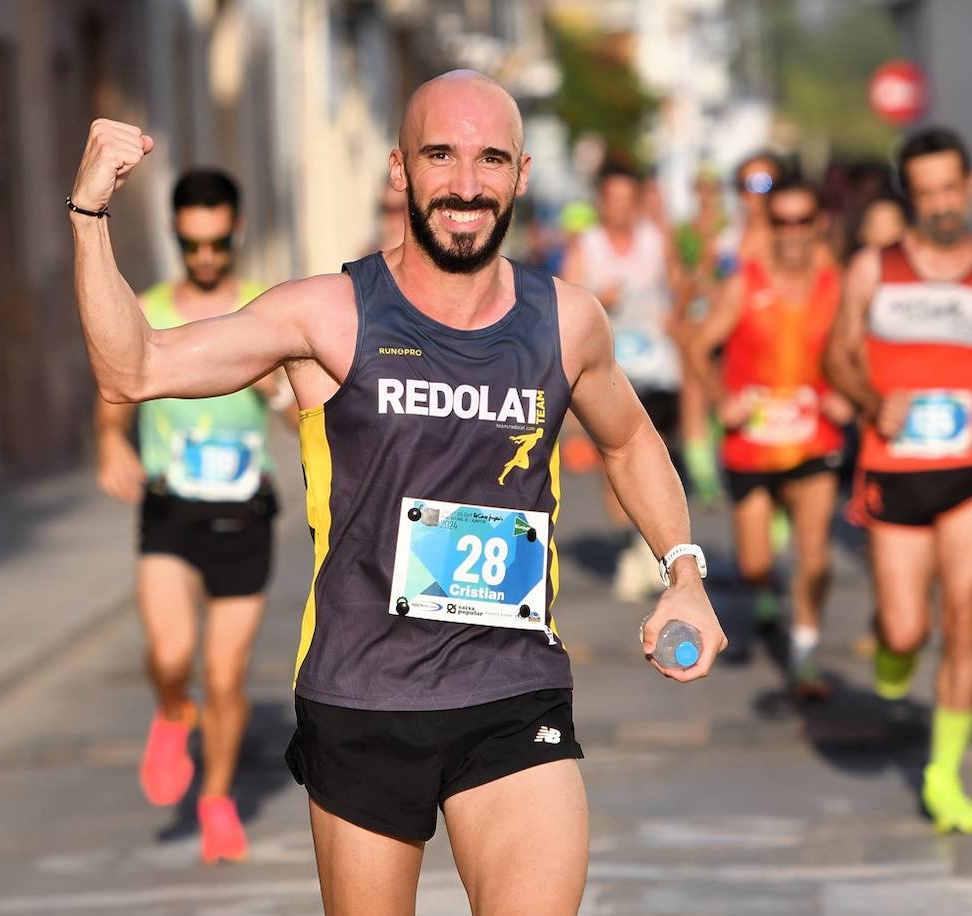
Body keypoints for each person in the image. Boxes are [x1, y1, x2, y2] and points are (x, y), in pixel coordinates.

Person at [68, 70, 726, 915]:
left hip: (512, 693)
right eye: (440, 156)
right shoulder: (327, 317)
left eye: (491, 159)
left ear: (522, 175)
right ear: (400, 171)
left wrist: (683, 568)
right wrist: (89, 218)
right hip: (362, 700)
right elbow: (135, 368)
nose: (465, 184)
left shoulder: (566, 321)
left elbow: (629, 436)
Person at [823, 126, 972, 834]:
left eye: (950, 189)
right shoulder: (875, 269)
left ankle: (943, 773)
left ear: (971, 187)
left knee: (965, 616)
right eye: (925, 193)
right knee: (905, 624)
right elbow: (836, 358)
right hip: (895, 474)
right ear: (911, 195)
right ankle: (896, 647)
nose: (940, 204)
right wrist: (871, 403)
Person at [93, 168, 293, 865]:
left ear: (235, 232)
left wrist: (276, 394)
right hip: (170, 512)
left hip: (244, 517)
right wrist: (109, 444)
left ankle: (214, 798)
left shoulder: (265, 314)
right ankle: (174, 707)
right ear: (178, 235)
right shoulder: (146, 306)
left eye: (217, 243)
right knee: (174, 657)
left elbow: (303, 419)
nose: (205, 257)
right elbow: (113, 391)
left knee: (228, 676)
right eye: (192, 243)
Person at [686, 177, 853, 700]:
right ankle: (765, 591)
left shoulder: (838, 284)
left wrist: (849, 394)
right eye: (781, 221)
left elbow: (860, 348)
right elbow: (698, 344)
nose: (793, 232)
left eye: (804, 220)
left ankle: (804, 653)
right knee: (757, 564)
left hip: (814, 439)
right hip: (753, 445)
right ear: (770, 226)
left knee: (816, 558)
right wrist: (720, 398)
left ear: (819, 223)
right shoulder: (745, 283)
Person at [560, 161, 684, 600]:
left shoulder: (655, 239)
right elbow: (568, 302)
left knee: (657, 452)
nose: (618, 208)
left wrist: (676, 312)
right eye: (610, 199)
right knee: (615, 456)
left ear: (637, 201)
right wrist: (599, 300)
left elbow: (679, 285)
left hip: (657, 364)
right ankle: (634, 545)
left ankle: (656, 545)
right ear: (600, 203)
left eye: (626, 199)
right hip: (608, 368)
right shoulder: (588, 245)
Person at [672, 169, 730, 506]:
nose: (707, 195)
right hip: (695, 316)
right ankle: (704, 476)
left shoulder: (731, 228)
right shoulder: (684, 231)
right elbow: (678, 275)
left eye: (712, 188)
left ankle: (722, 460)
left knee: (723, 386)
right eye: (701, 188)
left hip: (726, 318)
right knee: (693, 391)